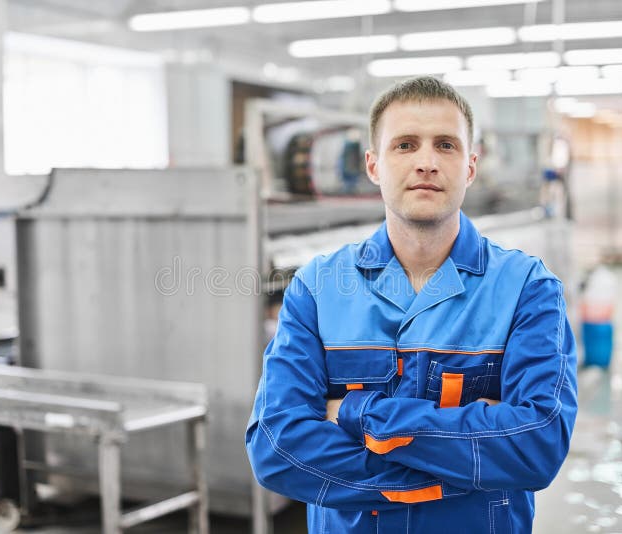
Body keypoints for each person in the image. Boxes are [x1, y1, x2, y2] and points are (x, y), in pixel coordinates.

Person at [246, 76, 578, 533]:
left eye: (446, 145)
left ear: (471, 166)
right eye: (405, 145)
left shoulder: (527, 289)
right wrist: (456, 472)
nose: (426, 162)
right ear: (373, 165)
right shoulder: (317, 288)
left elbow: (537, 446)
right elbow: (276, 448)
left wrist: (356, 412)